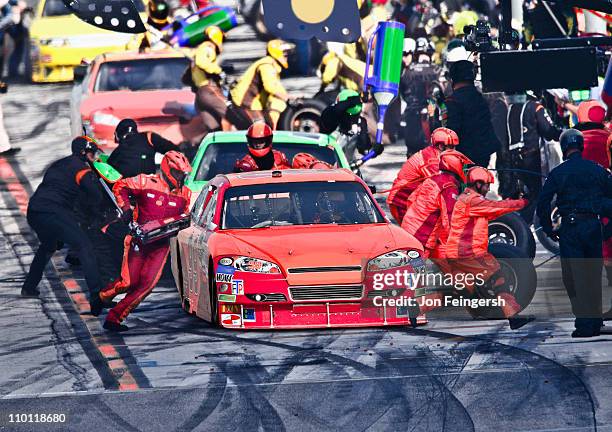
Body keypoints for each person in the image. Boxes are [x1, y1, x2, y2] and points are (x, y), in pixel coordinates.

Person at [99, 151, 192, 332]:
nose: (180, 177)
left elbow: (185, 217)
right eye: (177, 173)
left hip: (161, 246)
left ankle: (115, 318)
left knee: (147, 285)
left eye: (183, 174)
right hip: (138, 240)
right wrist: (126, 208)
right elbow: (120, 186)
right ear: (167, 169)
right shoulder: (145, 181)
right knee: (128, 282)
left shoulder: (185, 194)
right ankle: (102, 296)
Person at [537, 129, 612, 338]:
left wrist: (548, 228)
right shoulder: (597, 170)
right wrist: (607, 229)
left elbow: (543, 203)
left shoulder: (558, 173)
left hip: (571, 229)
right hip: (593, 227)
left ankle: (584, 324)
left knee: (574, 277)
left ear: (563, 148)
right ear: (581, 146)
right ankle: (595, 322)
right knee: (592, 275)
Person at [21, 137, 104, 313]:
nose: (94, 156)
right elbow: (96, 197)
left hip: (35, 211)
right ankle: (97, 298)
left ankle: (29, 286)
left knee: (48, 246)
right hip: (54, 212)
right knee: (85, 247)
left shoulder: (59, 164)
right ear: (83, 153)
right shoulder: (82, 170)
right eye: (92, 153)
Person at [445, 166, 532, 329]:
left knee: (459, 291)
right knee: (497, 278)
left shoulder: (469, 199)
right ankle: (513, 317)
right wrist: (523, 202)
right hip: (468, 252)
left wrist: (512, 200)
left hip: (457, 252)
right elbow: (496, 208)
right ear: (478, 184)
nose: (488, 188)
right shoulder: (472, 200)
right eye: (486, 185)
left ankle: (412, 310)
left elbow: (494, 211)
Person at [497, 93, 562, 224]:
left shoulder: (508, 108)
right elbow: (548, 131)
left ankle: (520, 222)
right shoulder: (535, 107)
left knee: (520, 192)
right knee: (536, 193)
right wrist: (563, 134)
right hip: (531, 157)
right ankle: (533, 223)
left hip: (511, 158)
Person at [401, 149, 471, 258]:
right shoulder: (449, 187)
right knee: (413, 272)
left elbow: (411, 199)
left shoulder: (433, 179)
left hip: (408, 228)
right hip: (421, 237)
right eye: (462, 165)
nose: (464, 169)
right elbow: (450, 218)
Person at [387, 127, 462, 224]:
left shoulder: (436, 155)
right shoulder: (432, 161)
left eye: (454, 147)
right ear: (440, 146)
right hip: (401, 202)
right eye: (451, 147)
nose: (454, 150)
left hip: (411, 199)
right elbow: (440, 187)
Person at [445, 60, 500, 167]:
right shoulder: (484, 99)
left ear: (453, 79)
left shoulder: (451, 102)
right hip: (485, 155)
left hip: (464, 157)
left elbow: (450, 132)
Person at [228, 39, 294, 129]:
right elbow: (270, 86)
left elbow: (276, 86)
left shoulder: (273, 65)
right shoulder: (267, 65)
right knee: (262, 129)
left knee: (270, 126)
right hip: (246, 103)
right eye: (284, 53)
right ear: (276, 52)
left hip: (254, 105)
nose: (286, 55)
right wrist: (286, 98)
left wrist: (290, 97)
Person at [182, 26, 227, 134]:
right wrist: (219, 71)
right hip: (209, 90)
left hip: (200, 94)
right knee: (235, 115)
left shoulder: (198, 50)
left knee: (214, 131)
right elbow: (201, 62)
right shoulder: (208, 47)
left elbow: (186, 78)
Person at [107, 119, 178, 179]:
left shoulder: (120, 149)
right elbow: (173, 149)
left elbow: (108, 167)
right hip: (150, 187)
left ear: (119, 134)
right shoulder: (148, 137)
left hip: (127, 189)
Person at [320, 89, 377, 161]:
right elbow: (338, 109)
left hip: (346, 164)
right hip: (326, 160)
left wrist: (374, 150)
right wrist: (357, 99)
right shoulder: (330, 114)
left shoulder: (361, 122)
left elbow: (363, 148)